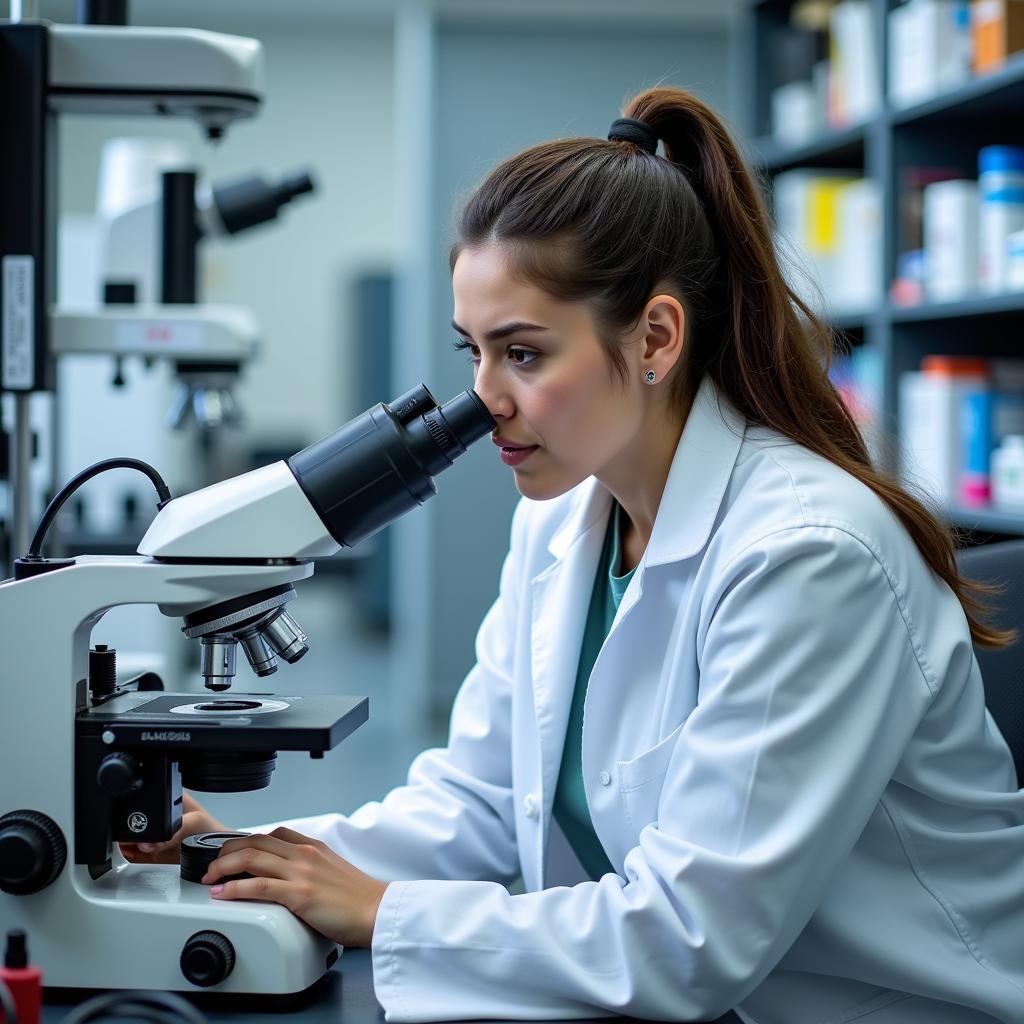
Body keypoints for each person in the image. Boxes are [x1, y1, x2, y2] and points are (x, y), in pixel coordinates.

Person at [121, 86, 1024, 1023]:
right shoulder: (562, 522)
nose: (483, 402)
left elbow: (690, 940)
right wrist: (249, 854)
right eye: (472, 351)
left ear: (656, 338)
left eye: (523, 354)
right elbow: (476, 806)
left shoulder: (810, 556)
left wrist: (384, 913)